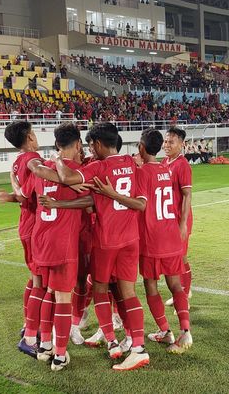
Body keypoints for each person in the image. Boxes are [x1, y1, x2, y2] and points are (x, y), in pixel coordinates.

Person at [36, 122, 150, 371]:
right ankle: (138, 347)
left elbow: (66, 177)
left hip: (107, 240)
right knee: (128, 292)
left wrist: (57, 158)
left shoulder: (99, 166)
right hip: (131, 240)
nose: (88, 150)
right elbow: (140, 205)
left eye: (90, 145)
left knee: (98, 288)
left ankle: (111, 341)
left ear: (98, 144)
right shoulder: (131, 164)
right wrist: (111, 195)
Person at [17, 123, 90, 371]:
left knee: (48, 291)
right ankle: (59, 354)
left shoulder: (41, 168)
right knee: (62, 298)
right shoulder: (78, 174)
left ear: (57, 144)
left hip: (40, 241)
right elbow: (91, 202)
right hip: (63, 244)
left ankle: (44, 345)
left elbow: (27, 181)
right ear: (78, 144)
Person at [133, 129, 193, 353]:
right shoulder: (165, 169)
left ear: (141, 147)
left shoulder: (143, 172)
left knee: (150, 285)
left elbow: (139, 204)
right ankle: (185, 332)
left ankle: (165, 331)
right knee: (175, 284)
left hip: (151, 237)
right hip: (170, 235)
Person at [0, 120, 45, 358]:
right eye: (34, 133)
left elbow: (21, 193)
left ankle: (29, 324)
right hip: (36, 226)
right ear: (29, 137)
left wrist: (12, 194)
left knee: (35, 278)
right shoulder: (33, 160)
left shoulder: (18, 162)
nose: (36, 136)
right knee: (41, 282)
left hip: (28, 225)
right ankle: (29, 337)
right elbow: (27, 195)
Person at [161, 127, 194, 306]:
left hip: (180, 220)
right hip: (168, 220)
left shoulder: (182, 165)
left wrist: (183, 224)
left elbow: (187, 195)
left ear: (181, 145)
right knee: (173, 259)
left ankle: (185, 295)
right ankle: (179, 293)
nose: (166, 145)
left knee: (181, 258)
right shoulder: (165, 162)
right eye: (166, 141)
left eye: (171, 142)